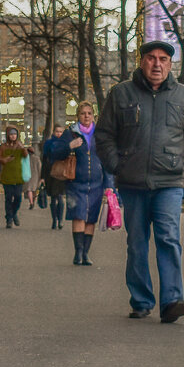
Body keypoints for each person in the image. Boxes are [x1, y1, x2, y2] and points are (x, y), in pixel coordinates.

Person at [97, 43, 184, 320]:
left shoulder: (182, 96)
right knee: (137, 243)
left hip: (169, 183)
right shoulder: (121, 94)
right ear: (141, 62)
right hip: (133, 184)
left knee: (168, 238)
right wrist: (117, 166)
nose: (157, 64)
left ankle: (172, 300)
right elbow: (104, 135)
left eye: (163, 59)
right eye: (151, 59)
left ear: (170, 65)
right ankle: (141, 300)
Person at [47, 101, 107, 265]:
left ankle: (86, 253)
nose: (86, 116)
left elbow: (106, 160)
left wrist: (109, 185)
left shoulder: (100, 134)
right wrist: (69, 146)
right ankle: (78, 252)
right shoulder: (71, 133)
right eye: (83, 113)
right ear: (78, 116)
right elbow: (54, 153)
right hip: (76, 183)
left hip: (96, 184)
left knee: (90, 219)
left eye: (89, 113)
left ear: (93, 115)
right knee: (79, 216)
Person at [0, 126, 30, 228]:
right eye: (11, 134)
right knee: (8, 198)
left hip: (18, 176)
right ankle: (9, 219)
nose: (13, 136)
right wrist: (3, 160)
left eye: (14, 134)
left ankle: (14, 214)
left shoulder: (20, 145)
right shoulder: (3, 147)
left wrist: (23, 148)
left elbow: (26, 156)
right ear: (8, 135)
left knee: (18, 197)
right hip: (7, 176)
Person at [42, 123, 69, 229]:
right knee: (53, 198)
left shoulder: (66, 144)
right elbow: (44, 160)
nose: (59, 134)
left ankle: (60, 220)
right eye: (57, 131)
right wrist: (42, 177)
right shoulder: (48, 143)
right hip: (51, 173)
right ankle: (54, 220)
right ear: (53, 132)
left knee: (60, 197)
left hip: (62, 173)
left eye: (61, 132)